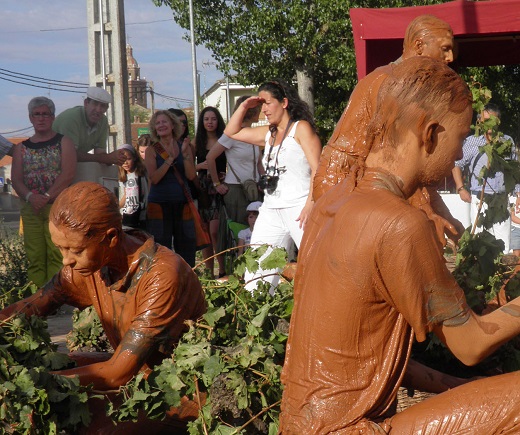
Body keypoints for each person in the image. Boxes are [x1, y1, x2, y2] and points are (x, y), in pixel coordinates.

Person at [280, 56, 520, 434]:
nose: (459, 155)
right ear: (429, 134)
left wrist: (454, 388)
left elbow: (360, 354)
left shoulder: (332, 202)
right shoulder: (400, 223)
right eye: (458, 139)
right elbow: (471, 345)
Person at [0, 181, 206, 433]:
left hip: (178, 392)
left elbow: (117, 373)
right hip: (135, 375)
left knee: (94, 426)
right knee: (61, 364)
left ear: (110, 238)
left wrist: (35, 383)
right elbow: (30, 308)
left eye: (75, 250)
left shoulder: (162, 276)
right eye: (60, 249)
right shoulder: (89, 265)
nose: (66, 260)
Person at [313, 14, 464, 246]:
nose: (450, 57)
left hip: (394, 201)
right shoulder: (384, 82)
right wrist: (330, 226)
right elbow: (346, 163)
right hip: (357, 202)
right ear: (419, 46)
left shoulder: (419, 88)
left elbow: (414, 172)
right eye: (444, 49)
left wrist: (440, 214)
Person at [223, 80, 322, 292]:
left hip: (300, 208)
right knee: (257, 270)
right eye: (261, 106)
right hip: (270, 210)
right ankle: (260, 317)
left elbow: (318, 168)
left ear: (284, 102)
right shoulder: (268, 133)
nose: (264, 110)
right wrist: (243, 106)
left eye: (267, 103)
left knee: (317, 264)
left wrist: (311, 202)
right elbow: (231, 132)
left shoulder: (300, 128)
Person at [11, 96, 76, 287]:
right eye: (36, 114)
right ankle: (37, 299)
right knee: (35, 255)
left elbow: (68, 173)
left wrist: (47, 197)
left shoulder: (64, 142)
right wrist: (32, 197)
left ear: (53, 117)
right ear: (30, 118)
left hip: (56, 207)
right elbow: (16, 179)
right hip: (31, 209)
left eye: (45, 114)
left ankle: (55, 297)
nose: (41, 118)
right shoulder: (21, 148)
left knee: (57, 253)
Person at [452, 103, 517, 253]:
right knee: (479, 241)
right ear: (479, 121)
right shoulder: (472, 142)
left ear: (498, 121)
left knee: (503, 244)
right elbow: (456, 163)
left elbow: (513, 169)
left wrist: (517, 192)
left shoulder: (507, 142)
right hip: (479, 199)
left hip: (501, 199)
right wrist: (460, 188)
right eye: (485, 120)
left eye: (492, 120)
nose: (489, 125)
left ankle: (500, 274)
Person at [145, 109, 197, 267]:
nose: (161, 125)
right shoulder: (152, 150)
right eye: (157, 123)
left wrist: (185, 154)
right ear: (154, 128)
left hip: (183, 203)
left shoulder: (184, 146)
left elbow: (191, 175)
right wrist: (170, 160)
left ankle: (188, 281)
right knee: (160, 248)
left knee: (187, 247)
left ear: (173, 125)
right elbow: (154, 178)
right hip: (159, 204)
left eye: (164, 122)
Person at [206, 96, 264, 225]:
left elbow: (259, 163)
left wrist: (264, 181)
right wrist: (217, 184)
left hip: (254, 188)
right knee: (239, 229)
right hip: (236, 190)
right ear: (251, 111)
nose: (261, 112)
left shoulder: (254, 133)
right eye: (259, 109)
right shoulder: (232, 134)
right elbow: (210, 157)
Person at [53, 86, 126, 167]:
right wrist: (107, 158)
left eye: (103, 106)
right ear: (86, 103)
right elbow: (71, 155)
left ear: (106, 109)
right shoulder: (71, 119)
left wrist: (115, 158)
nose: (98, 110)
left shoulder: (103, 121)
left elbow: (100, 154)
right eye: (95, 104)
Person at [195, 106, 227, 278]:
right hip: (202, 189)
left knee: (215, 231)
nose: (210, 122)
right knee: (205, 233)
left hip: (219, 187)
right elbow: (185, 168)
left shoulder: (224, 140)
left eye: (213, 119)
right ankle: (209, 273)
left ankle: (222, 269)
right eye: (206, 119)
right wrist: (199, 166)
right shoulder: (197, 142)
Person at [118, 143, 149, 229]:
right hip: (128, 215)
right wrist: (117, 207)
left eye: (128, 159)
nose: (125, 163)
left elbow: (147, 191)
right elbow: (126, 195)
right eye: (123, 160)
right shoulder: (123, 176)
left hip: (142, 214)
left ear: (134, 158)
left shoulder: (141, 172)